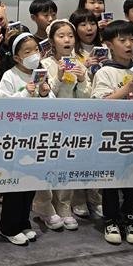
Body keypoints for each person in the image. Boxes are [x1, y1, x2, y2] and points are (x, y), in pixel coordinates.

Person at [91, 20, 133, 246]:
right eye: (122, 40)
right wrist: (128, 88)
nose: (129, 44)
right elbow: (100, 103)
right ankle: (111, 220)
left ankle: (132, 220)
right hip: (112, 136)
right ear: (109, 44)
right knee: (111, 179)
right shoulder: (105, 72)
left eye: (132, 39)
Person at [34, 20, 91, 231]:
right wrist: (57, 77)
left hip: (73, 122)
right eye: (61, 36)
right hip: (49, 123)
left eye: (70, 36)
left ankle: (65, 206)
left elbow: (87, 97)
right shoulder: (45, 64)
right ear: (52, 41)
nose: (67, 40)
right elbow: (45, 95)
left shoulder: (79, 63)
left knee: (68, 165)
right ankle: (45, 206)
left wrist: (83, 79)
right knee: (47, 165)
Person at [0, 32, 53, 246]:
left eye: (36, 50)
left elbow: (52, 106)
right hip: (16, 138)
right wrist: (25, 93)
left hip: (36, 137)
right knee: (15, 185)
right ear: (17, 57)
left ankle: (23, 222)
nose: (34, 55)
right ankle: (8, 226)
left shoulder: (41, 74)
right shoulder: (9, 76)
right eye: (27, 51)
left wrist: (44, 93)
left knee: (30, 183)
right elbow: (3, 105)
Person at [68, 9, 105, 218]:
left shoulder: (106, 48)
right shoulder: (71, 52)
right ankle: (78, 198)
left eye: (92, 23)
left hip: (101, 110)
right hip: (78, 110)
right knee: (77, 154)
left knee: (96, 156)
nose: (89, 28)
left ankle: (96, 198)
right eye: (83, 24)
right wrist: (82, 65)